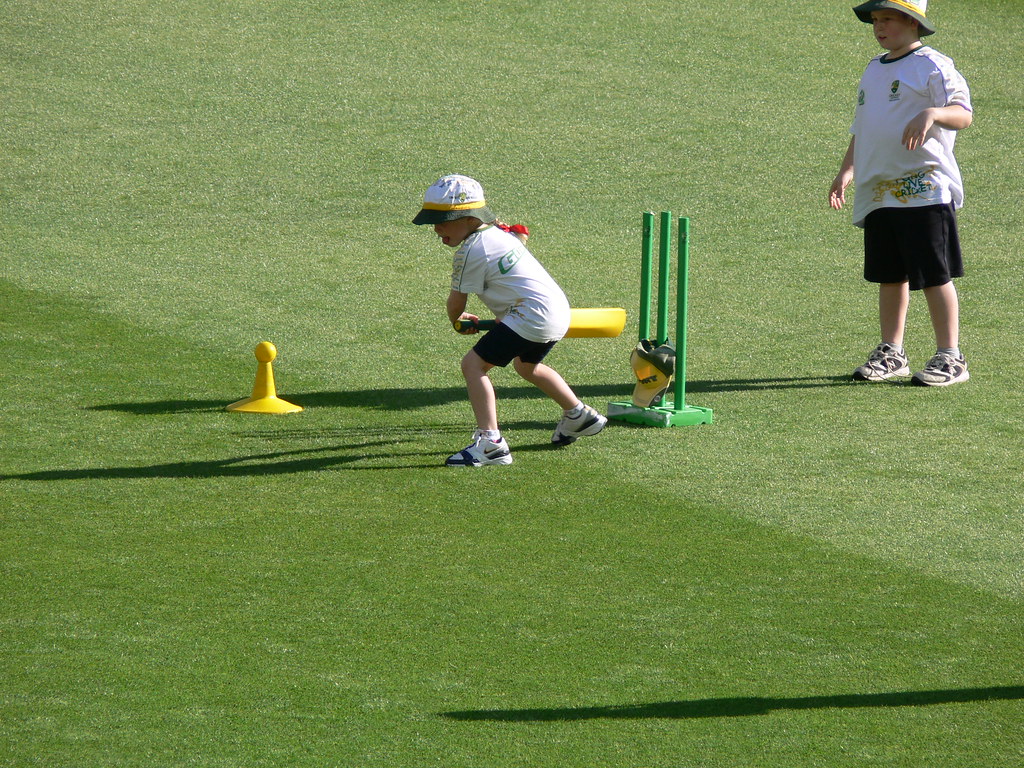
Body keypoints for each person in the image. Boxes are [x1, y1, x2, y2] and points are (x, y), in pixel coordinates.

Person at [412, 174, 607, 466]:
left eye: (443, 219)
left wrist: (458, 319)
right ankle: (578, 415)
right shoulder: (497, 234)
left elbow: (457, 301)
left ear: (468, 218)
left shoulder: (470, 250)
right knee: (527, 366)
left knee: (473, 365)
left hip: (530, 315)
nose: (436, 227)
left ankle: (490, 443)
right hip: (555, 311)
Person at [828, 0, 973, 386]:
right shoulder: (874, 68)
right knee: (890, 275)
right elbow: (863, 127)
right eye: (875, 20)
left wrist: (933, 114)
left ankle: (951, 357)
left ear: (912, 22)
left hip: (923, 188)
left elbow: (963, 112)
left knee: (934, 274)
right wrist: (847, 169)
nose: (878, 27)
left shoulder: (933, 65)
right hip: (878, 190)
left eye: (887, 18)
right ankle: (892, 352)